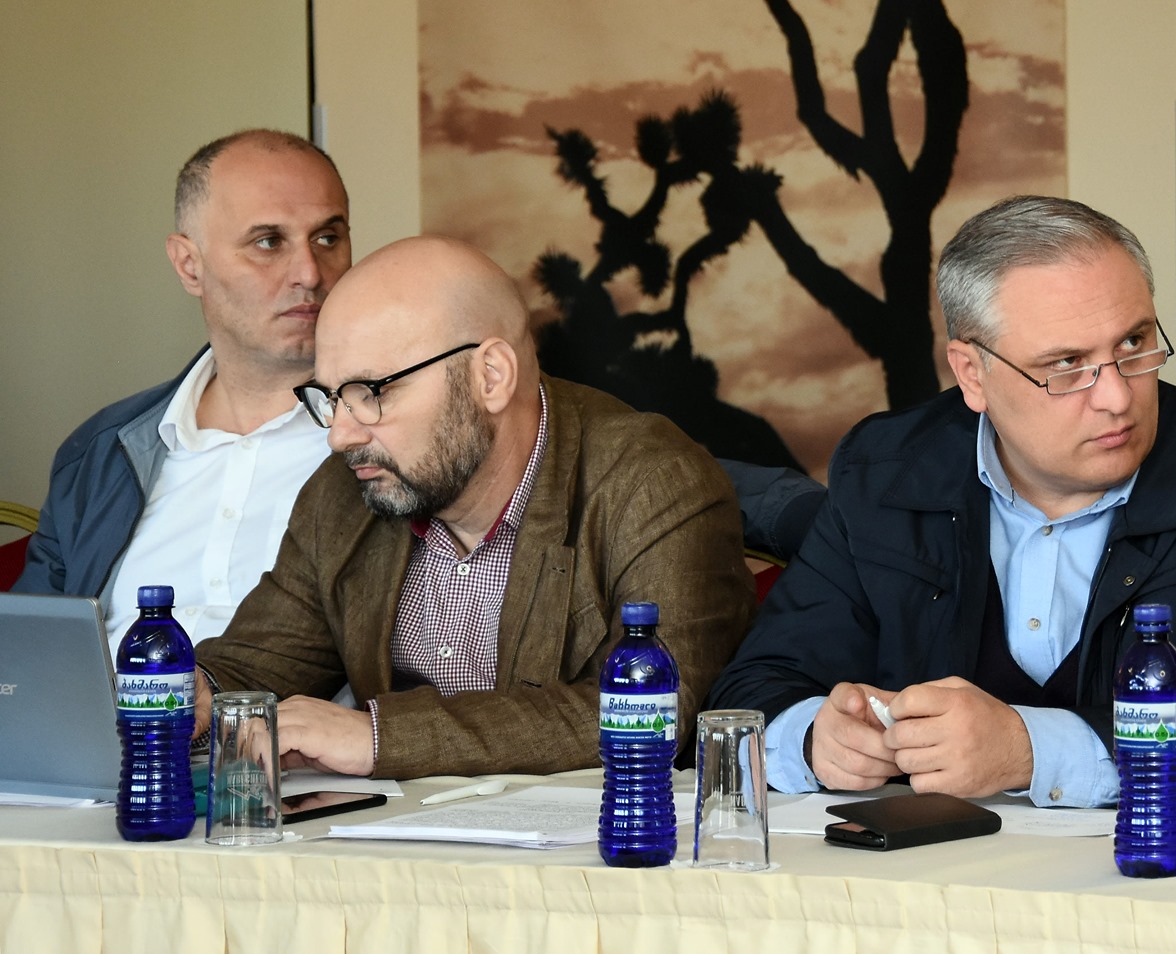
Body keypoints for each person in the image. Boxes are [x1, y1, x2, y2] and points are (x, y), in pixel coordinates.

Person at [707, 196, 1176, 807]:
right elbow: (753, 692)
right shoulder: (883, 469)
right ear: (972, 374)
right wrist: (815, 738)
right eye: (1067, 364)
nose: (1117, 397)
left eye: (1133, 343)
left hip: (1149, 861)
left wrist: (1029, 750)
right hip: (931, 865)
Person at [192, 236, 757, 779]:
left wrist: (380, 738)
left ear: (491, 376)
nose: (340, 435)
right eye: (334, 397)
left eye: (371, 392)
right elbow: (258, 664)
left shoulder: (653, 483)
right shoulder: (343, 494)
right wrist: (194, 691)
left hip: (602, 838)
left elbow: (651, 715)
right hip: (396, 834)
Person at [16, 130, 351, 647]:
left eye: (327, 238)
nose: (309, 273)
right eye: (268, 242)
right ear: (189, 265)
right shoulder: (100, 452)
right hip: (112, 703)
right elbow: (30, 653)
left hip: (297, 702)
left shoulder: (399, 438)